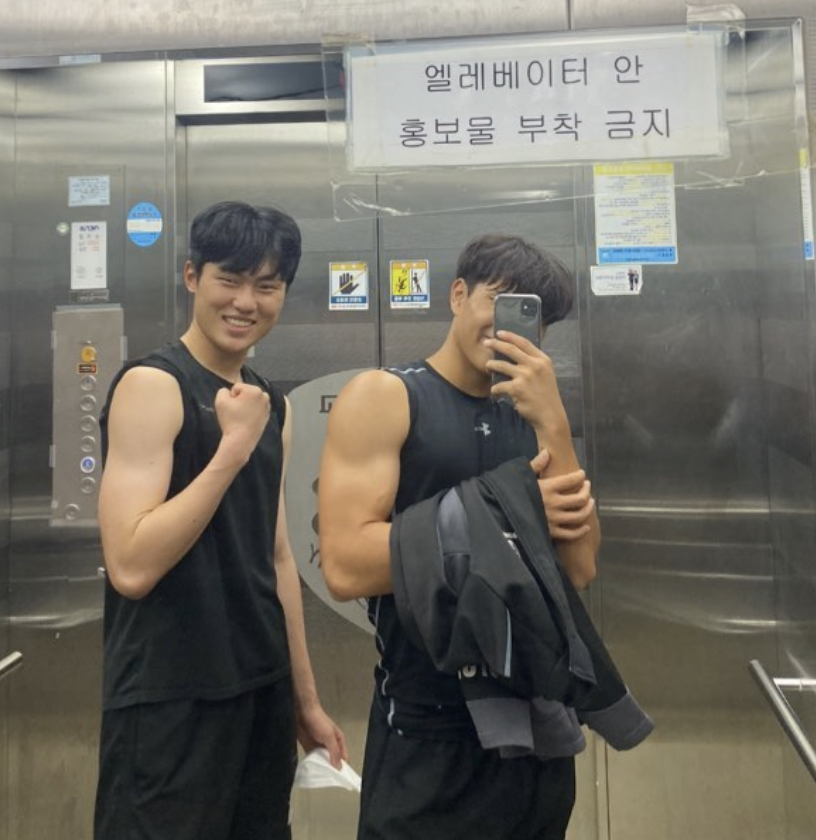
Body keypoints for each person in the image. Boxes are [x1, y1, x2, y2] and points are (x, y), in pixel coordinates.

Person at [318, 233, 600, 840]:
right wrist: (503, 521)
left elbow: (579, 569)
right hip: (427, 726)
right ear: (456, 295)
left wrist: (553, 421)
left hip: (537, 732)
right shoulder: (387, 397)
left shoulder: (538, 418)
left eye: (532, 315)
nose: (508, 327)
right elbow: (343, 565)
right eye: (497, 301)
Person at [93, 200, 347, 840]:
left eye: (266, 285)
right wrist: (230, 450)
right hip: (171, 696)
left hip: (260, 689)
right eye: (228, 280)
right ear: (191, 277)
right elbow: (130, 564)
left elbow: (277, 557)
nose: (245, 302)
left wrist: (305, 701)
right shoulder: (154, 386)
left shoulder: (271, 406)